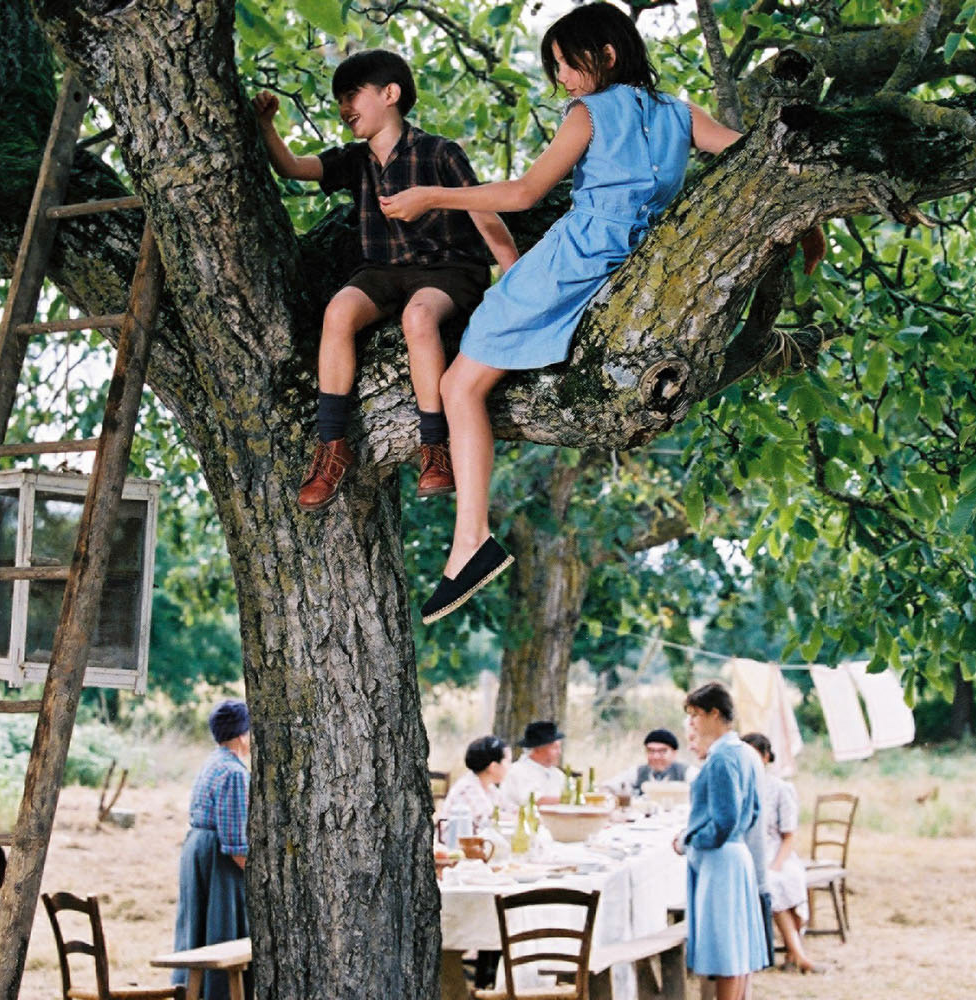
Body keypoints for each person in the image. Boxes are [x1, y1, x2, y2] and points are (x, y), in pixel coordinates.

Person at [382, 3, 824, 622]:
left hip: (570, 259)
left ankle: (471, 540)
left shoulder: (589, 113)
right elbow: (756, 158)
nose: (561, 78)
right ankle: (469, 540)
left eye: (566, 64)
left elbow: (524, 194)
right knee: (468, 385)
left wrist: (432, 195)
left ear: (606, 55)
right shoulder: (678, 113)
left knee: (458, 385)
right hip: (631, 263)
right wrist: (808, 213)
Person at [253, 50, 519, 512]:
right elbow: (292, 168)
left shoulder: (439, 152)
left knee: (418, 318)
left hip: (447, 269)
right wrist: (266, 126)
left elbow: (481, 207)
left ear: (390, 94)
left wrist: (515, 275)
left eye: (352, 94)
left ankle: (435, 445)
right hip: (382, 272)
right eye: (338, 99)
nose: (343, 106)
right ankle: (332, 443)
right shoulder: (355, 161)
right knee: (338, 312)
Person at [675, 681, 769, 1000]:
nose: (692, 724)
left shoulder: (722, 757)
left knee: (727, 952)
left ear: (714, 714)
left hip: (721, 860)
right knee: (737, 949)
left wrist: (688, 840)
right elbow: (753, 809)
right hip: (737, 853)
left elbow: (723, 821)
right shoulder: (744, 752)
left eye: (695, 715)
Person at [172, 700, 254, 1000]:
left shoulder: (212, 761)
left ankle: (193, 991)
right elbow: (235, 842)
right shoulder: (234, 773)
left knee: (197, 925)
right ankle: (217, 994)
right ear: (242, 735)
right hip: (216, 858)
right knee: (222, 927)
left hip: (197, 850)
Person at [743, 732, 819, 973]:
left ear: (765, 758)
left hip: (778, 850)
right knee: (771, 884)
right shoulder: (740, 786)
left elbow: (789, 836)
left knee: (785, 879)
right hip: (750, 851)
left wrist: (777, 863)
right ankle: (796, 952)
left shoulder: (780, 788)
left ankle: (793, 951)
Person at [442, 734, 509, 825]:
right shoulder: (468, 788)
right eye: (507, 761)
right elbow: (488, 819)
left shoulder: (488, 787)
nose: (510, 766)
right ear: (493, 767)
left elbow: (508, 809)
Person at [499, 719, 565, 808]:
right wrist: (569, 799)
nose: (559, 752)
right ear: (538, 749)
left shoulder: (558, 775)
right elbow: (535, 801)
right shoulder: (518, 772)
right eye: (555, 748)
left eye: (559, 748)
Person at [613, 727, 689, 796]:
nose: (655, 757)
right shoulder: (638, 772)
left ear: (674, 753)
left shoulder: (686, 772)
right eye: (651, 751)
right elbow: (610, 786)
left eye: (662, 751)